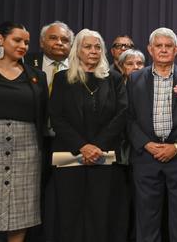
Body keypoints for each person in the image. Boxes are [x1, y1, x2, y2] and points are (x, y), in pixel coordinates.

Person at [46, 29, 129, 242]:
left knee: (100, 214)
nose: (93, 51)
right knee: (69, 214)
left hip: (104, 157)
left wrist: (96, 146)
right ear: (78, 50)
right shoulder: (62, 78)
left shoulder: (114, 79)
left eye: (97, 47)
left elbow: (122, 115)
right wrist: (83, 146)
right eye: (88, 46)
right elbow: (56, 117)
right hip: (69, 157)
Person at [126, 28, 177, 242]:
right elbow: (128, 118)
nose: (163, 50)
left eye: (168, 46)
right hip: (145, 158)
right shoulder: (134, 80)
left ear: (176, 50)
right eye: (158, 46)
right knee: (146, 221)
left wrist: (176, 146)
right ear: (150, 49)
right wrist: (146, 144)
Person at [0, 22, 48, 242]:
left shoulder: (37, 76)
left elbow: (43, 113)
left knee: (22, 210)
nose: (23, 46)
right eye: (17, 40)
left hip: (26, 148)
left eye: (27, 42)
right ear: (1, 39)